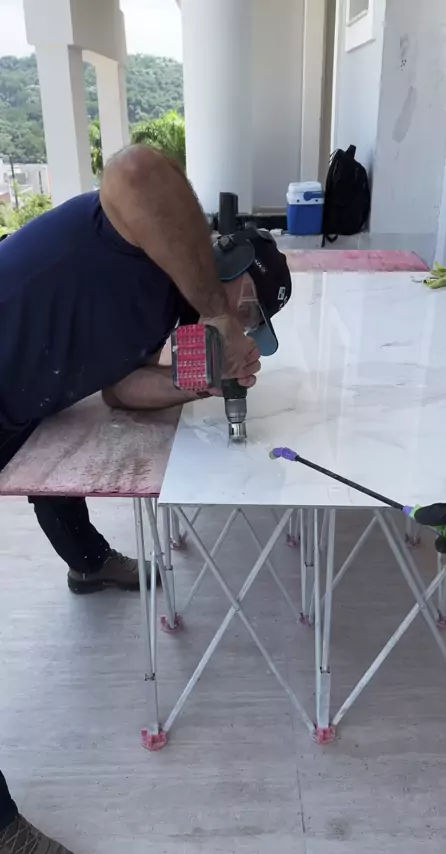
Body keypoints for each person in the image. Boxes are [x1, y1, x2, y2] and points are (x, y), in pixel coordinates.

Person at [0, 144, 292, 853]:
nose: (246, 328)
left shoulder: (167, 311)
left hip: (18, 401)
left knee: (59, 429)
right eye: (251, 310)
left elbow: (122, 391)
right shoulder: (147, 241)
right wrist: (217, 314)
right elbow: (136, 169)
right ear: (231, 272)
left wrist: (206, 378)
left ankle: (88, 563)